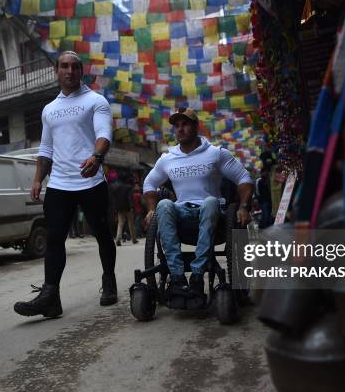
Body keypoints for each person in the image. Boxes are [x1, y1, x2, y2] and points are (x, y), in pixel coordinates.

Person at [14, 50, 117, 319]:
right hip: (59, 184)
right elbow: (46, 148)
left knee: (102, 233)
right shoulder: (49, 110)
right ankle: (51, 297)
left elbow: (104, 133)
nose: (69, 71)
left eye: (74, 67)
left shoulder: (96, 101)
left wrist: (97, 156)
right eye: (64, 66)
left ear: (81, 71)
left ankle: (109, 280)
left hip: (91, 180)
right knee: (54, 238)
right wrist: (38, 178)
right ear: (56, 71)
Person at [142, 107, 254, 302]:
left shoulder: (216, 153)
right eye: (176, 126)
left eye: (185, 124)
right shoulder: (168, 158)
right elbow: (149, 183)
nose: (180, 129)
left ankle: (196, 276)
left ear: (196, 126)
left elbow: (244, 177)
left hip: (213, 216)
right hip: (182, 216)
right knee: (165, 205)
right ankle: (177, 278)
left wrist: (244, 207)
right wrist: (151, 209)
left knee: (210, 202)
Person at [110, 173, 138, 246]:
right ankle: (134, 239)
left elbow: (115, 199)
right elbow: (129, 199)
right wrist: (131, 207)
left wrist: (115, 208)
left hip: (119, 208)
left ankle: (118, 239)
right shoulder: (128, 187)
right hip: (128, 207)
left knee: (120, 223)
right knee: (131, 223)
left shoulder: (115, 187)